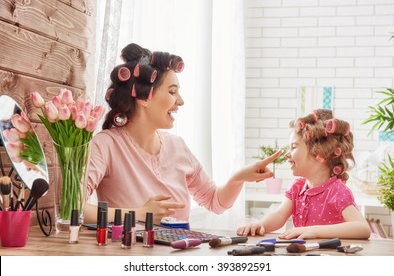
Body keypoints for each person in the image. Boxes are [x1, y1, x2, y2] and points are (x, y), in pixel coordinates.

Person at [84, 43, 281, 224]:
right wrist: (139, 213)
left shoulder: (177, 146)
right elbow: (73, 210)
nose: (180, 101)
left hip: (178, 255)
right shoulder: (106, 145)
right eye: (172, 92)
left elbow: (214, 201)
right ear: (144, 97)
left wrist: (238, 178)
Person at [237, 109, 371, 239]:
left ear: (318, 152)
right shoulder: (297, 187)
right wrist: (260, 225)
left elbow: (362, 228)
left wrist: (314, 231)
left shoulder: (337, 192)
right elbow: (279, 215)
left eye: (294, 147)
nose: (288, 154)